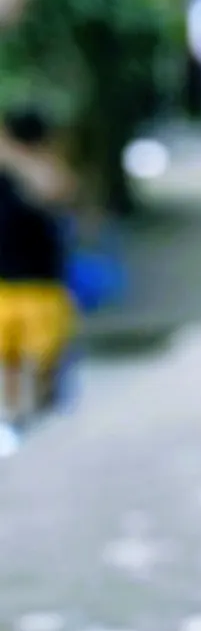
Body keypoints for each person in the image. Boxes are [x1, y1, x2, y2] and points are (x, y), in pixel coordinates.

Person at [0, 105, 77, 436]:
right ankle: (15, 419)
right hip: (7, 285)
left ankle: (42, 421)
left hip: (41, 284)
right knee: (10, 365)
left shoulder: (41, 169)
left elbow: (56, 191)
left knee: (44, 364)